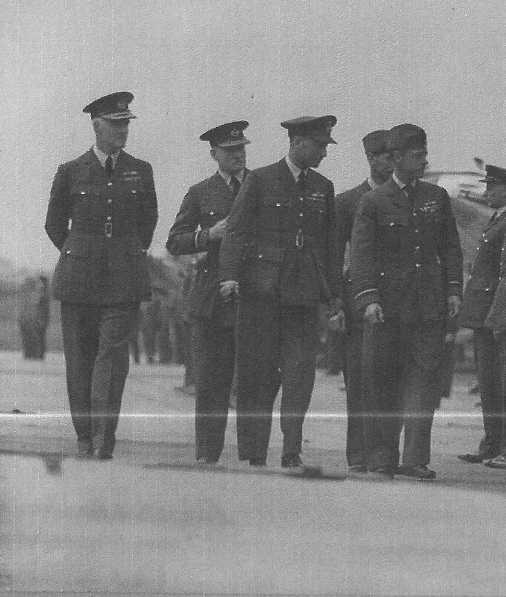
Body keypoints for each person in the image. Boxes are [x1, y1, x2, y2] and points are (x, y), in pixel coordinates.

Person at [219, 115, 344, 468]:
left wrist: (333, 295)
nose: (323, 153)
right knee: (258, 374)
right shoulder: (260, 180)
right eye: (319, 146)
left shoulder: (323, 187)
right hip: (262, 292)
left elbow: (331, 246)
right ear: (297, 142)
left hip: (304, 294)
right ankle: (254, 451)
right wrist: (229, 275)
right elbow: (237, 232)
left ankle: (292, 448)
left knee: (300, 372)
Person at [44, 91, 158, 459]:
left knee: (112, 359)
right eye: (115, 124)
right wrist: (82, 252)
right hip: (78, 279)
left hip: (124, 279)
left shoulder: (141, 170)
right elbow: (54, 225)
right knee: (79, 361)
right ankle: (83, 436)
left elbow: (148, 222)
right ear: (96, 126)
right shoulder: (70, 171)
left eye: (126, 123)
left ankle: (103, 438)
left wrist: (124, 252)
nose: (123, 130)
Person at [350, 123, 463, 480]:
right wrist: (368, 299)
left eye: (425, 153)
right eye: (417, 155)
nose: (424, 160)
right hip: (387, 310)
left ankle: (415, 458)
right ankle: (382, 457)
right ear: (396, 158)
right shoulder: (373, 201)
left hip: (427, 306)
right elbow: (362, 258)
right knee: (383, 382)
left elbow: (450, 249)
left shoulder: (436, 197)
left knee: (423, 382)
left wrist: (453, 290)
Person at [166, 120, 251, 464]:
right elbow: (174, 242)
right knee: (211, 383)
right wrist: (207, 236)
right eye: (230, 151)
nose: (237, 156)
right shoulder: (200, 192)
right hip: (211, 300)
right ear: (214, 153)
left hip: (251, 295)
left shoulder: (258, 186)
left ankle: (252, 456)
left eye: (242, 149)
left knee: (250, 383)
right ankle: (207, 455)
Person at [335, 129, 394, 474]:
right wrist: (336, 304)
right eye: (387, 156)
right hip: (357, 306)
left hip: (395, 305)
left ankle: (384, 454)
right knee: (358, 381)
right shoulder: (347, 202)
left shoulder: (405, 199)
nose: (392, 162)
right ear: (372, 159)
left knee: (390, 381)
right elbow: (334, 256)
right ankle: (358, 454)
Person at [457, 164, 506, 463]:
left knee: (495, 380)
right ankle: (492, 441)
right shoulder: (500, 218)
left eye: (493, 187)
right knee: (489, 380)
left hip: (493, 308)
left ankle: (497, 442)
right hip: (484, 310)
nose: (487, 192)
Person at [18, 275, 50, 360]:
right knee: (38, 336)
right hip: (37, 319)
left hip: (40, 319)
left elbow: (41, 308)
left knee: (39, 337)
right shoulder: (42, 293)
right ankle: (37, 355)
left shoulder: (43, 294)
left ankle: (38, 355)